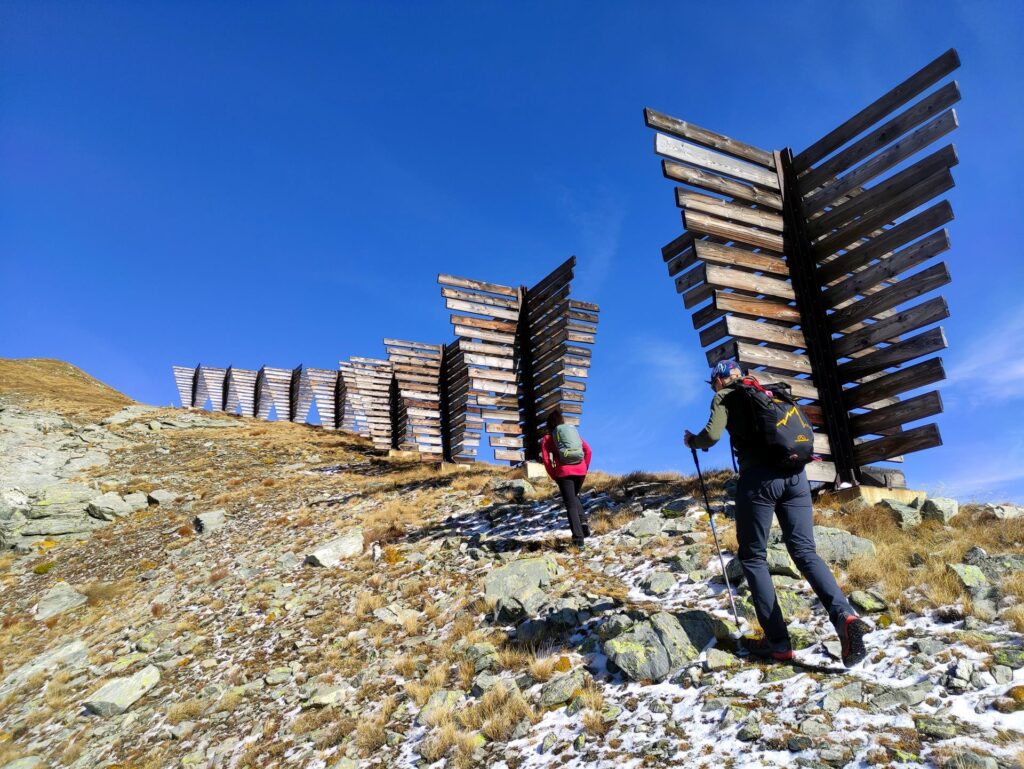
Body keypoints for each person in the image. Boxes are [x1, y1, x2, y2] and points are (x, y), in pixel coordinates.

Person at [684, 360, 871, 668]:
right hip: (797, 477)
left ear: (719, 380)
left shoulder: (726, 396)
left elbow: (712, 435)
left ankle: (778, 643)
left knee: (754, 557)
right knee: (804, 551)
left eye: (713, 382)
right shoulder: (770, 391)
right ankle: (845, 617)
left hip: (759, 480)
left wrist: (694, 441)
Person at [540, 409, 593, 548]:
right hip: (580, 470)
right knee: (573, 497)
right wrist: (584, 467)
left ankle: (578, 540)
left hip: (564, 472)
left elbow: (546, 459)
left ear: (549, 424)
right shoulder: (571, 434)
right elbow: (588, 451)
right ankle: (583, 522)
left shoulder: (548, 438)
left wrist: (554, 475)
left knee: (570, 504)